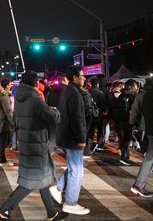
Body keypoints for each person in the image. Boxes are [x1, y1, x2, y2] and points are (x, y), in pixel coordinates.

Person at [0, 71, 65, 220]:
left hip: (25, 142)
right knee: (31, 180)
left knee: (42, 178)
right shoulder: (35, 100)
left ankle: (51, 213)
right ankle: (5, 209)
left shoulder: (19, 99)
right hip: (36, 142)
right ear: (35, 83)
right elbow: (53, 118)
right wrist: (56, 111)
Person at [50, 65, 90, 215]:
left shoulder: (68, 91)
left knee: (75, 167)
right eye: (82, 75)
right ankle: (70, 203)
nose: (84, 78)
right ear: (74, 77)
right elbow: (77, 118)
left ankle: (58, 187)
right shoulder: (73, 93)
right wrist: (81, 138)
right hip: (72, 137)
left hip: (66, 135)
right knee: (77, 170)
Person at [112, 79, 138, 165]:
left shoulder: (121, 95)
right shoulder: (133, 96)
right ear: (132, 87)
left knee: (124, 138)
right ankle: (124, 157)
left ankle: (124, 155)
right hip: (129, 120)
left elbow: (114, 107)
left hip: (120, 120)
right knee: (127, 138)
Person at [0, 79, 13, 167]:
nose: (11, 86)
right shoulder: (4, 97)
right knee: (4, 140)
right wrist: (13, 121)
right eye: (10, 85)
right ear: (7, 86)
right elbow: (8, 111)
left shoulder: (0, 95)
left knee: (6, 140)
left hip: (1, 119)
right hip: (4, 120)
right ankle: (2, 160)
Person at [88, 77, 107, 152]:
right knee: (100, 129)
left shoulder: (87, 92)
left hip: (89, 114)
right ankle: (99, 144)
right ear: (97, 84)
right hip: (99, 114)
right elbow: (103, 104)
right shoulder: (100, 92)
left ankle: (89, 145)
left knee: (90, 130)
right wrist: (105, 110)